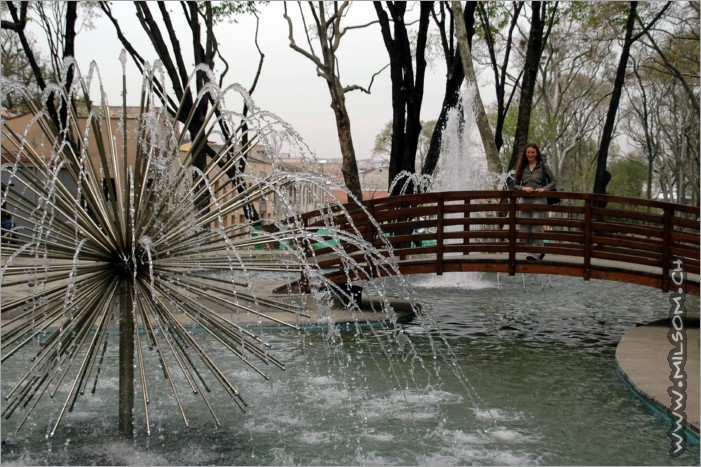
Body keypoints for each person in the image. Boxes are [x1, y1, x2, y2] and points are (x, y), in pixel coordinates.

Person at [511, 143, 556, 260]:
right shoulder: (521, 167)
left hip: (539, 199)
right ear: (525, 154)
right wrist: (522, 188)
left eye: (532, 152)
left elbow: (553, 181)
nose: (530, 154)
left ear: (537, 153)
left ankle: (535, 252)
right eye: (528, 152)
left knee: (536, 226)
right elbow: (514, 184)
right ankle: (534, 250)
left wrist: (544, 189)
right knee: (524, 227)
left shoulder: (542, 166)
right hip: (525, 200)